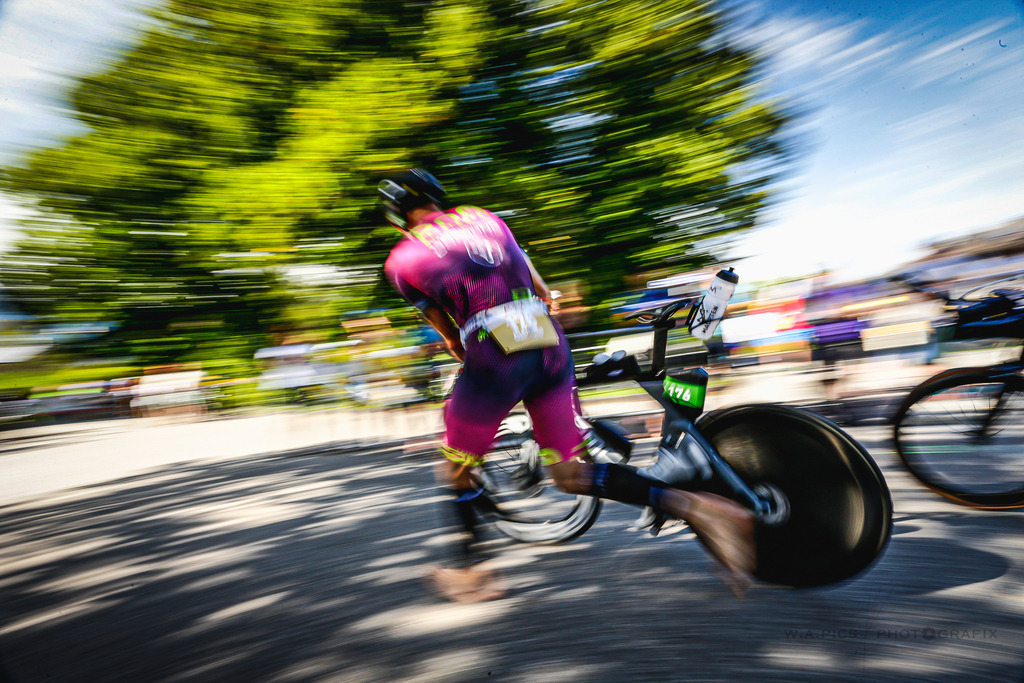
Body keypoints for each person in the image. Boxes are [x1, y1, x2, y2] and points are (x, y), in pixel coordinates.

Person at [379, 168, 755, 602]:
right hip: (548, 341)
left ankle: (470, 575)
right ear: (436, 197)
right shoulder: (485, 218)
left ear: (397, 217)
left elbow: (449, 336)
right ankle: (705, 509)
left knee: (455, 467)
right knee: (571, 473)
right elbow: (542, 290)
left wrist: (476, 361)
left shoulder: (401, 260)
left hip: (493, 351)